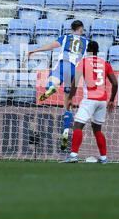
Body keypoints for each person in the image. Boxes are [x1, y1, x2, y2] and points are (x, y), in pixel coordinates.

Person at [28, 20, 89, 151]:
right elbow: (90, 58)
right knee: (68, 105)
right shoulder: (86, 42)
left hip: (63, 65)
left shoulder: (65, 37)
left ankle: (51, 88)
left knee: (52, 81)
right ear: (81, 29)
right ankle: (65, 134)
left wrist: (35, 50)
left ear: (72, 29)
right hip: (75, 70)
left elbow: (50, 46)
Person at [64, 41, 118, 164]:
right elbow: (115, 83)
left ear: (87, 51)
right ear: (97, 51)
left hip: (89, 100)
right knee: (97, 129)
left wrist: (71, 97)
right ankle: (104, 158)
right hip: (102, 101)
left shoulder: (83, 62)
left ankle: (73, 155)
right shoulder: (105, 63)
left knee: (78, 126)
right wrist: (111, 100)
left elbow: (75, 82)